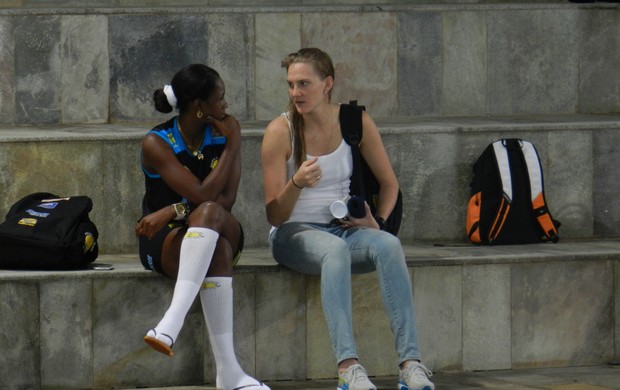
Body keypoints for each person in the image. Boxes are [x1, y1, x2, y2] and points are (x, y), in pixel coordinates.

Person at [260, 48, 435, 390]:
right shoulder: (280, 131)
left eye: (304, 84)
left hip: (344, 230)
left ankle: (410, 364)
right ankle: (348, 367)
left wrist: (377, 222)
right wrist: (296, 183)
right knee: (333, 252)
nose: (296, 92)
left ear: (327, 84)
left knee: (387, 244)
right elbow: (275, 214)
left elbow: (390, 184)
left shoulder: (355, 121)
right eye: (291, 84)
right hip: (293, 234)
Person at [136, 64, 269, 390]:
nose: (225, 106)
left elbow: (226, 201)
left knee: (211, 215)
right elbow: (204, 195)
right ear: (198, 107)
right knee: (217, 249)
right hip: (165, 239)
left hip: (217, 222)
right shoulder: (157, 142)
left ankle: (171, 322)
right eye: (220, 99)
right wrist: (179, 210)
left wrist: (233, 144)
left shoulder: (224, 133)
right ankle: (229, 374)